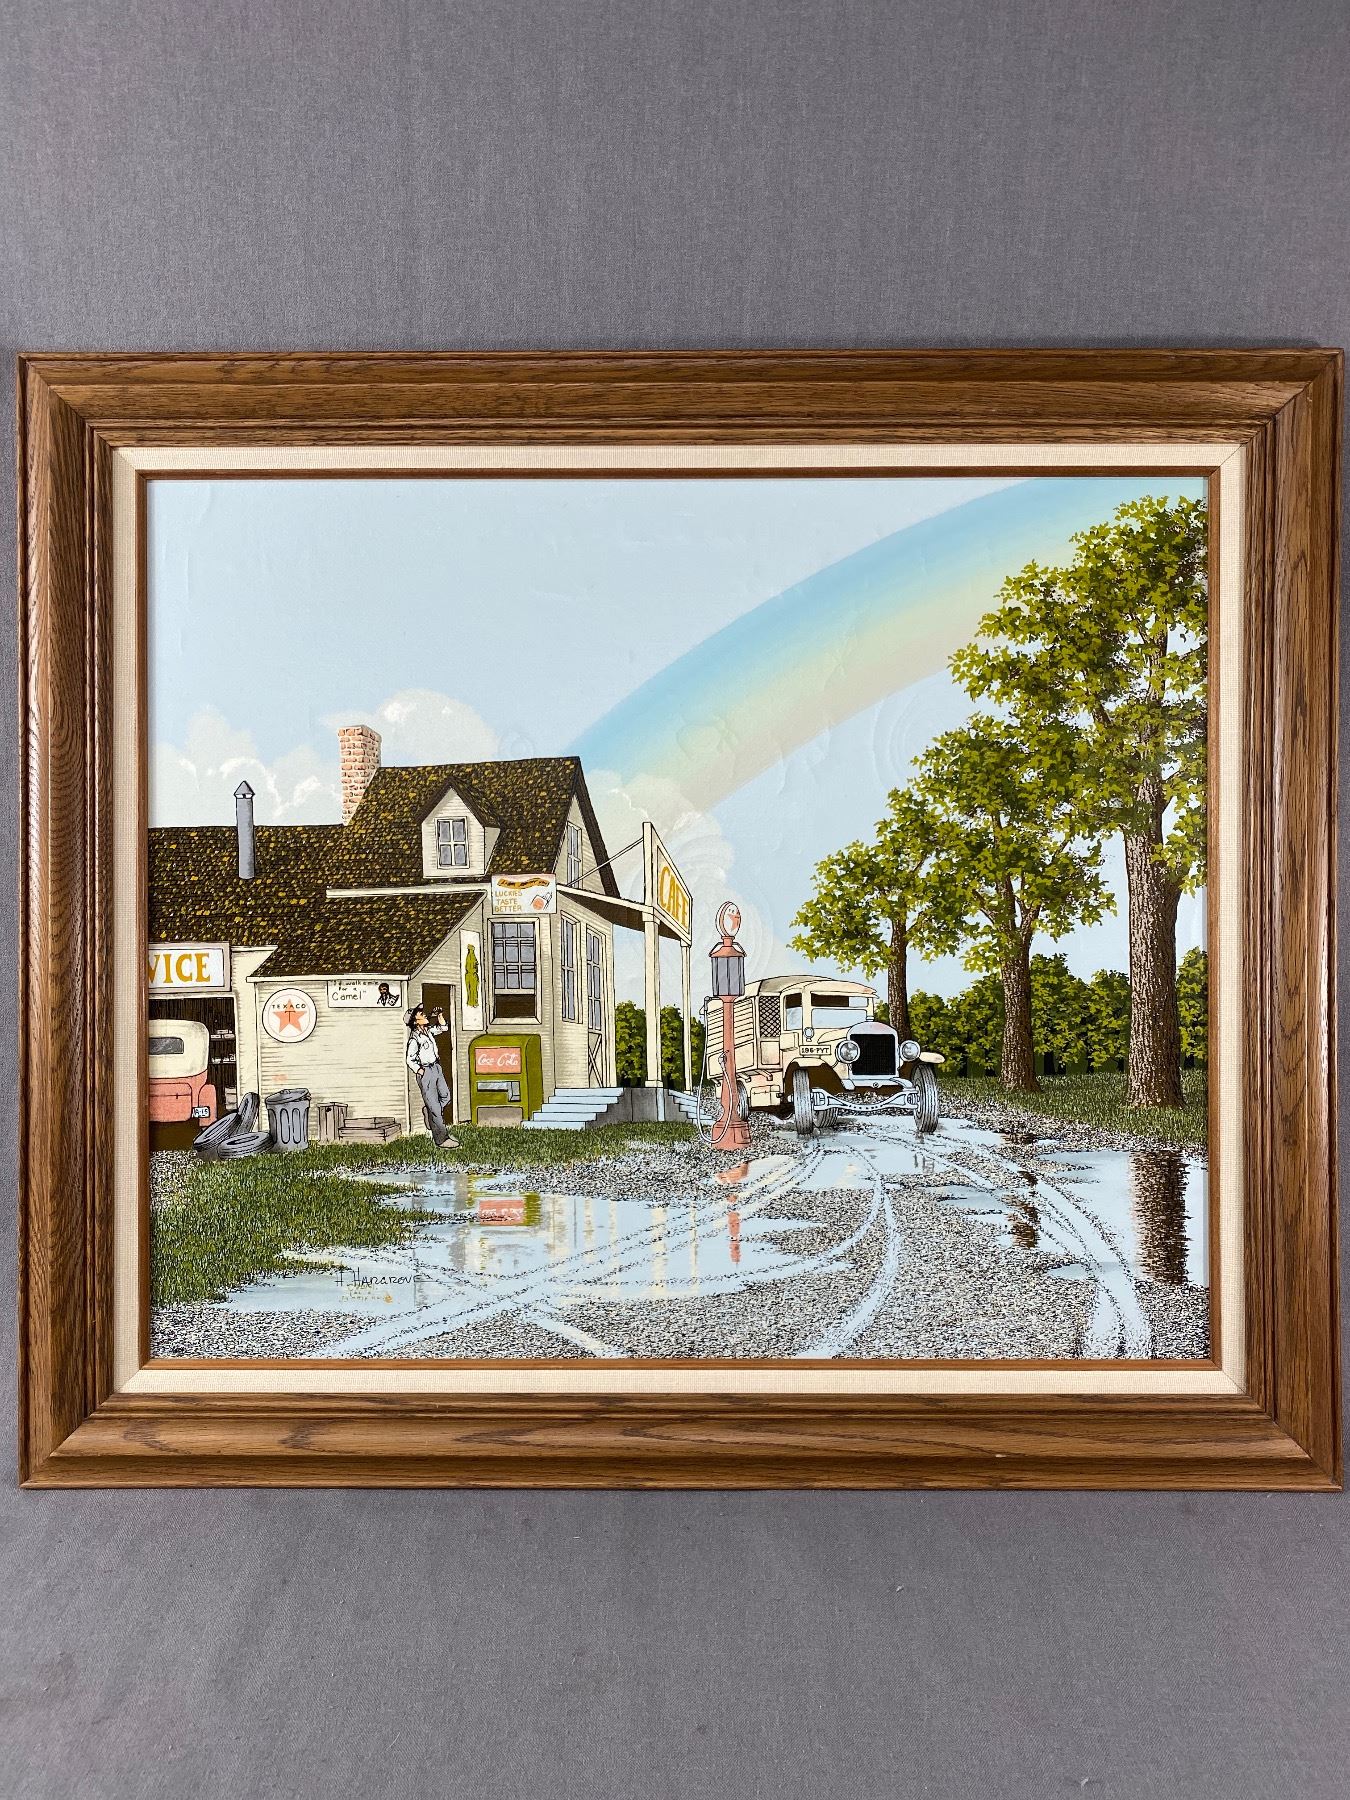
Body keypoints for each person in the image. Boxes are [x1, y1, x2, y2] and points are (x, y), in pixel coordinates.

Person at [405, 1003, 459, 1148]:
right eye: (420, 1013)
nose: (424, 1014)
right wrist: (420, 1070)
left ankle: (429, 1112)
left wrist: (439, 1015)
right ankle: (442, 1139)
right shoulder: (414, 1039)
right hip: (426, 1071)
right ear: (415, 1021)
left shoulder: (428, 1031)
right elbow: (409, 1059)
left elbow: (443, 1028)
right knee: (435, 1107)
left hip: (436, 1067)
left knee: (446, 1096)